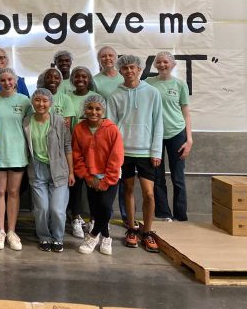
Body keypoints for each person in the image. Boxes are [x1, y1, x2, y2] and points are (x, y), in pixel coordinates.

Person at [107, 54, 163, 253]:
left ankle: (147, 232)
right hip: (124, 152)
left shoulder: (152, 92)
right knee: (127, 191)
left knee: (149, 193)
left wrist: (156, 151)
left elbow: (158, 123)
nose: (129, 71)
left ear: (139, 69)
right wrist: (114, 152)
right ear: (120, 71)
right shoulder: (115, 95)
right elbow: (111, 126)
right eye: (125, 68)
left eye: (132, 67)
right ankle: (131, 229)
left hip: (146, 152)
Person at [0, 68, 31, 251]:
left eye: (10, 79)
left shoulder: (25, 101)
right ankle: (0, 230)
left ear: (15, 81)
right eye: (3, 80)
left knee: (14, 192)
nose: (7, 83)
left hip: (17, 154)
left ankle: (12, 231)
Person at [23, 89, 74, 253]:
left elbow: (67, 146)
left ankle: (58, 238)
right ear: (32, 102)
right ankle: (44, 237)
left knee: (57, 209)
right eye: (37, 100)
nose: (41, 104)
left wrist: (71, 172)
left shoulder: (59, 121)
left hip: (58, 169)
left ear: (51, 103)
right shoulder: (26, 122)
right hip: (37, 169)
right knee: (42, 208)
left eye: (45, 101)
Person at [72, 95, 124, 256]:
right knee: (95, 209)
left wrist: (107, 180)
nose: (93, 112)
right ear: (85, 109)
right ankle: (106, 236)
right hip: (90, 176)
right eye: (90, 108)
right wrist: (87, 176)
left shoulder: (112, 129)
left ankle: (93, 236)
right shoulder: (79, 129)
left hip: (110, 176)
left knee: (106, 207)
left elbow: (116, 156)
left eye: (98, 109)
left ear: (103, 111)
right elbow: (76, 155)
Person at [146, 51, 192, 222]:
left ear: (173, 64)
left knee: (178, 177)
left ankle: (180, 215)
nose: (162, 65)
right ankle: (164, 213)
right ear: (155, 65)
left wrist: (189, 139)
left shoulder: (180, 85)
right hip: (155, 135)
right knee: (157, 176)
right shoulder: (148, 83)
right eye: (159, 62)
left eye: (165, 62)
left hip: (177, 133)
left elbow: (186, 113)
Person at [66, 66, 100, 238]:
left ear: (89, 79)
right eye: (77, 76)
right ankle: (76, 218)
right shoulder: (68, 97)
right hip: (74, 146)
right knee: (76, 184)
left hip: (94, 148)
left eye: (84, 76)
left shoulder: (96, 97)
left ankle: (94, 218)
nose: (80, 79)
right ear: (72, 79)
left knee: (94, 185)